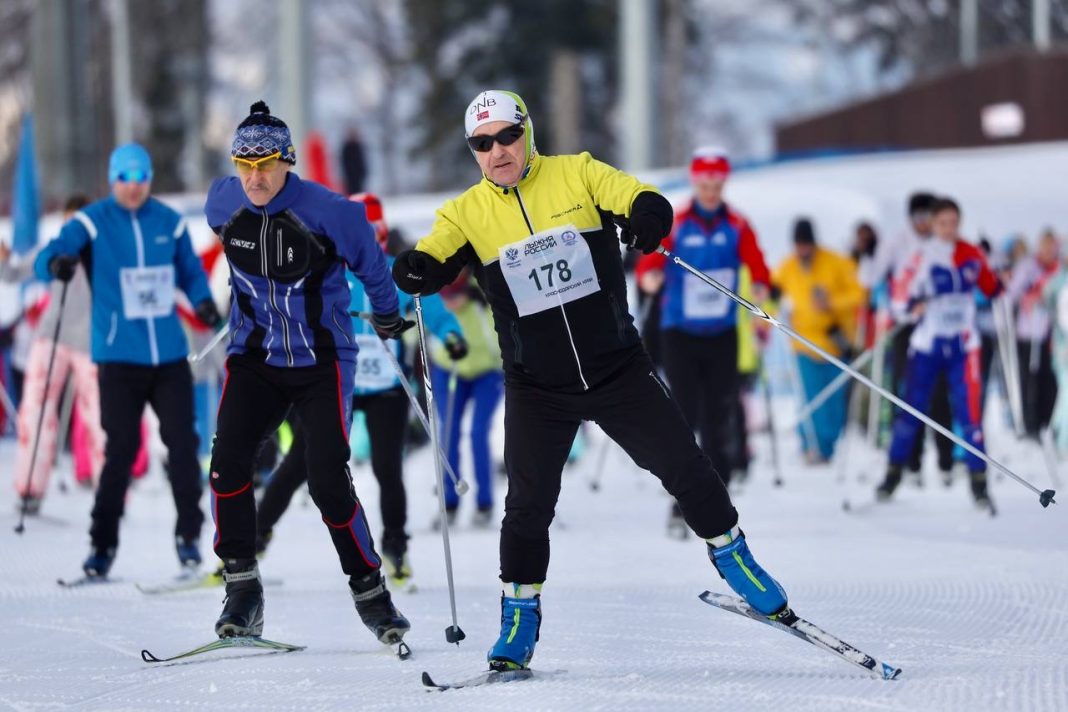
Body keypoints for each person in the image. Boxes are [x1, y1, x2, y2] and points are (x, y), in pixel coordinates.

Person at [391, 89, 791, 672]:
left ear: (527, 132)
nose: (497, 151)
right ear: (473, 152)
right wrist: (416, 268)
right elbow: (434, 255)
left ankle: (736, 559)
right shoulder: (466, 214)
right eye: (482, 143)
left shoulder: (576, 173)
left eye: (506, 136)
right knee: (527, 507)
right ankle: (519, 618)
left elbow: (638, 196)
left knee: (686, 465)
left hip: (615, 368)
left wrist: (650, 217)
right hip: (537, 385)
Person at [203, 102, 409, 645]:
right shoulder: (221, 202)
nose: (255, 178)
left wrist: (388, 314)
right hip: (255, 357)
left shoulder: (333, 212)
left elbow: (372, 265)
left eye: (266, 165)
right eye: (244, 166)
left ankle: (372, 593)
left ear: (288, 162)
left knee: (326, 482)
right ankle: (242, 589)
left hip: (321, 361)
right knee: (226, 464)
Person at [253, 191, 465, 591]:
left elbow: (430, 308)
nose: (367, 240)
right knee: (300, 463)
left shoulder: (392, 271)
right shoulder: (326, 272)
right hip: (339, 386)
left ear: (383, 234)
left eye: (375, 232)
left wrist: (451, 336)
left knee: (388, 468)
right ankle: (254, 540)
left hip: (386, 385)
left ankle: (396, 549)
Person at [34, 145, 218, 576]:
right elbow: (54, 251)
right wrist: (57, 262)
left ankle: (189, 535)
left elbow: (190, 271)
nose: (133, 186)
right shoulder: (93, 221)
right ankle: (102, 545)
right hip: (119, 358)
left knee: (183, 443)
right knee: (121, 450)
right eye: (124, 177)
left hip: (169, 355)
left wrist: (203, 302)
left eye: (140, 177)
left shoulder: (169, 222)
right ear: (113, 179)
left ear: (150, 178)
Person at [635, 146, 770, 533]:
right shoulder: (677, 222)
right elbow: (649, 259)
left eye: (717, 182)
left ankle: (717, 494)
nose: (711, 189)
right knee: (685, 414)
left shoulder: (737, 225)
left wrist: (761, 286)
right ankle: (683, 500)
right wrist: (649, 278)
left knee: (720, 414)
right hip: (680, 333)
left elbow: (758, 264)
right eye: (704, 182)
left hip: (721, 334)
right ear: (695, 181)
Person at [875, 198, 1001, 510]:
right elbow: (899, 299)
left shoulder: (971, 253)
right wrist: (911, 306)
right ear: (932, 225)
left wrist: (999, 271)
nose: (949, 229)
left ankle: (978, 481)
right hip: (928, 346)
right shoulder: (920, 256)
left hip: (963, 345)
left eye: (954, 223)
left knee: (970, 414)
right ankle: (892, 473)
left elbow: (992, 287)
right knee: (912, 411)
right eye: (943, 223)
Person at [2, 195, 103, 511]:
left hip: (90, 342)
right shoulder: (55, 247)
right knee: (35, 409)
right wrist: (5, 260)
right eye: (68, 220)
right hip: (51, 337)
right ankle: (29, 487)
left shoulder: (102, 253)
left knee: (101, 416)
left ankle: (109, 490)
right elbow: (16, 273)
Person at [772, 218, 865, 462]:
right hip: (802, 342)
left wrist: (831, 302)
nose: (803, 250)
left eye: (807, 244)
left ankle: (829, 445)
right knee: (809, 397)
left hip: (835, 341)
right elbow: (773, 294)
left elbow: (858, 293)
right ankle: (811, 446)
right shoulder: (787, 267)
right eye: (799, 245)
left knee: (833, 400)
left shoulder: (836, 262)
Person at [885, 194, 955, 483]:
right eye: (918, 218)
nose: (923, 224)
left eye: (928, 217)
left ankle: (946, 461)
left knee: (940, 396)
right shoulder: (900, 244)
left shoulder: (947, 248)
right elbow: (887, 283)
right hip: (908, 331)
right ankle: (911, 464)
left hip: (939, 331)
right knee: (909, 397)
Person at [429, 271, 503, 528]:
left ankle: (485, 502)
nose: (450, 302)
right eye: (444, 296)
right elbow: (415, 326)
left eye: (455, 295)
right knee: (448, 432)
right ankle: (450, 502)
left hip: (487, 372)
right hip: (449, 372)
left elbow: (502, 330)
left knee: (478, 433)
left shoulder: (482, 297)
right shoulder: (436, 304)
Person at [1007, 229, 1060, 438]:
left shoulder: (1057, 268)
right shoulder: (1028, 266)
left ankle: (1047, 421)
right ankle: (1030, 423)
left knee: (1050, 379)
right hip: (1029, 332)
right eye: (1045, 246)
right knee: (1029, 378)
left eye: (1052, 246)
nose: (1048, 251)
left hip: (1052, 334)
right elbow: (1012, 292)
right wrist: (1030, 295)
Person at [341, 127, 368, 195]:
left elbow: (362, 160)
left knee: (360, 193)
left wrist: (363, 171)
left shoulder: (358, 146)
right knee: (352, 193)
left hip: (359, 175)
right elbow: (344, 162)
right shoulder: (346, 147)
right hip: (350, 176)